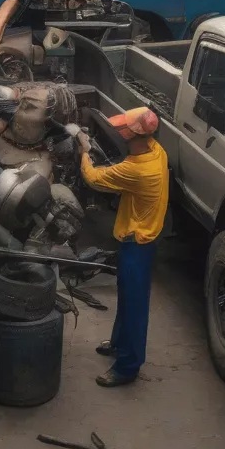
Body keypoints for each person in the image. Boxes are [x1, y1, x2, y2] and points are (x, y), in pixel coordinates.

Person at [77, 107, 169, 387]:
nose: (122, 133)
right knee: (126, 297)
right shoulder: (157, 150)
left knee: (134, 305)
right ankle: (118, 343)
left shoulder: (138, 170)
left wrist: (83, 150)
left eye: (125, 131)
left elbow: (92, 178)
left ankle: (127, 367)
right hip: (141, 236)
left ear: (135, 135)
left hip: (137, 244)